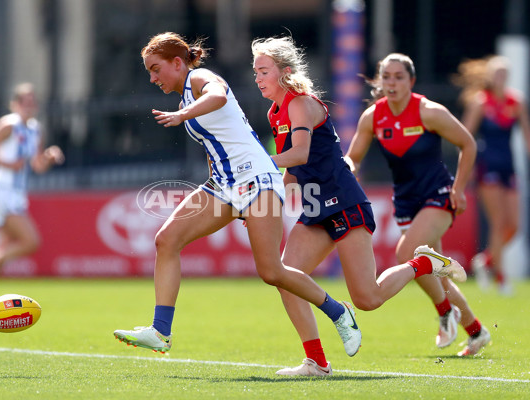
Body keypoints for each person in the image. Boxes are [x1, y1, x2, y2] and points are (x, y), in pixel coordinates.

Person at [112, 31, 402, 359]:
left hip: (256, 179)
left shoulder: (200, 78)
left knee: (271, 271)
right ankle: (160, 331)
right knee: (166, 240)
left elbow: (219, 95)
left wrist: (182, 116)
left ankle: (338, 312)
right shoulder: (188, 100)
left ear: (177, 63)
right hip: (225, 183)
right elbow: (220, 147)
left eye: (155, 69)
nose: (152, 78)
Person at [252, 38, 467, 377]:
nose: (258, 78)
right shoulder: (275, 112)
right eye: (256, 72)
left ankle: (423, 263)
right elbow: (292, 171)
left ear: (286, 72)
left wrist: (258, 164)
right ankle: (317, 363)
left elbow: (301, 154)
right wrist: (266, 200)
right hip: (315, 208)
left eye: (264, 71)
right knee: (284, 277)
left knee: (368, 299)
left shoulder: (301, 104)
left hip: (345, 203)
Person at [346, 53, 491, 358]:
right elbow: (353, 157)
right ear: (379, 80)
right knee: (433, 270)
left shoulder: (429, 111)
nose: (392, 82)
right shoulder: (373, 116)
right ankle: (476, 331)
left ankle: (444, 313)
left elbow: (468, 144)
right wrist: (346, 168)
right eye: (387, 76)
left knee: (407, 254)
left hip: (439, 195)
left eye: (399, 77)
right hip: (406, 202)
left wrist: (460, 188)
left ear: (411, 81)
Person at [0, 82, 64, 302]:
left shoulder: (35, 129)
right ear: (14, 104)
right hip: (2, 190)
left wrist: (48, 157)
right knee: (31, 241)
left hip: (17, 193)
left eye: (32, 101)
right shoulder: (8, 125)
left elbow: (38, 166)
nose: (29, 105)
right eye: (24, 101)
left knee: (3, 245)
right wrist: (7, 163)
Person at [454, 55, 530, 296]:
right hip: (487, 167)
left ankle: (486, 261)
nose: (501, 77)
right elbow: (464, 136)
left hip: (509, 166)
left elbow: (527, 137)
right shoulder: (480, 102)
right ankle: (500, 277)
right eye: (497, 73)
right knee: (498, 223)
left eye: (504, 73)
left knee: (514, 226)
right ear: (489, 76)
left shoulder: (516, 101)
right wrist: (464, 167)